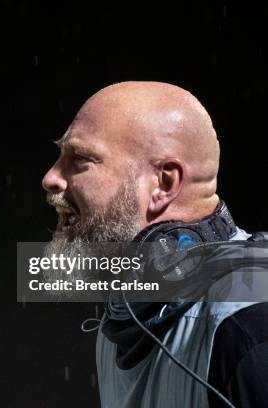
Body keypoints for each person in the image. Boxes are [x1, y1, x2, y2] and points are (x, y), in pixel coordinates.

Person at [41, 81, 268, 407]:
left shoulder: (251, 321)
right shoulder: (127, 314)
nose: (50, 177)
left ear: (163, 183)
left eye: (80, 159)